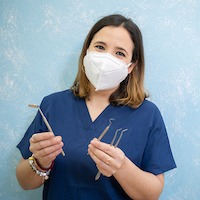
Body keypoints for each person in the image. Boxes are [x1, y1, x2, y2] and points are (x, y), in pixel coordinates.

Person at [16, 14, 176, 200]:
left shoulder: (148, 114)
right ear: (87, 52)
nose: (106, 58)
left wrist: (122, 167)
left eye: (120, 53)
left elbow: (152, 194)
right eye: (100, 47)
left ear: (131, 66)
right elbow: (24, 182)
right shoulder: (52, 105)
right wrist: (40, 163)